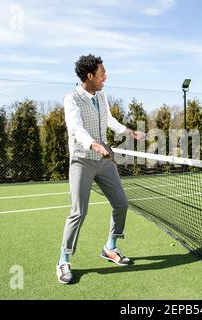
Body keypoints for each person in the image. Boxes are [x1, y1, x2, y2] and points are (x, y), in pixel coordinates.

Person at [56, 54, 145, 284]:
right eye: (102, 73)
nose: (106, 76)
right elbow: (76, 128)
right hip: (82, 159)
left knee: (121, 204)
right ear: (90, 76)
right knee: (78, 212)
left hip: (104, 160)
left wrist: (129, 132)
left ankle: (110, 248)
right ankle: (63, 261)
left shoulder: (101, 96)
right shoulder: (72, 99)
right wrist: (93, 144)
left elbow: (109, 120)